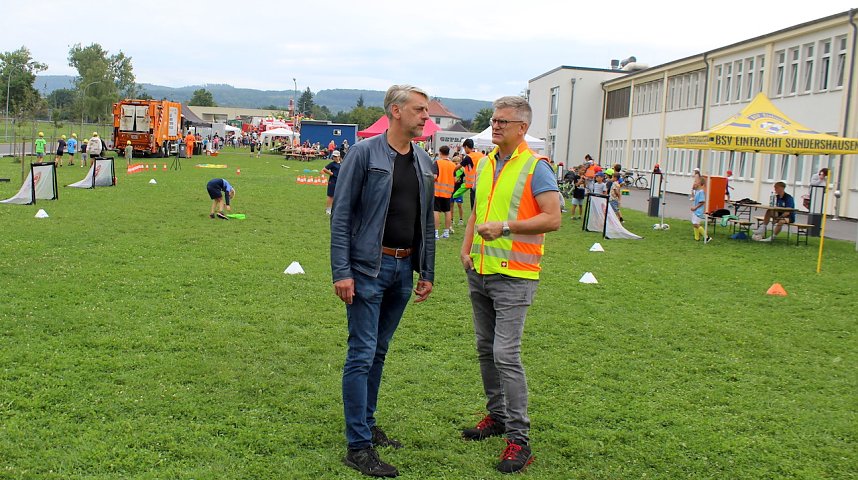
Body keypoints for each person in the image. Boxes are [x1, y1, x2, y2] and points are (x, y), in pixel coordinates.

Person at [330, 85, 435, 478]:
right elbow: (341, 216)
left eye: (426, 111)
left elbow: (425, 222)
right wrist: (341, 271)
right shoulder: (363, 154)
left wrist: (428, 271)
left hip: (403, 271)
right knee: (361, 353)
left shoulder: (426, 163)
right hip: (366, 271)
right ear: (395, 111)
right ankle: (357, 446)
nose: (426, 117)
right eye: (419, 110)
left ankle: (368, 426)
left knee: (379, 352)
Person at [459, 96, 561, 474]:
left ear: (522, 128)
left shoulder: (538, 168)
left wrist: (506, 227)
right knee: (486, 350)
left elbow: (552, 219)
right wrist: (466, 247)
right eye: (493, 119)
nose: (496, 126)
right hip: (480, 271)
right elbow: (477, 211)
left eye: (503, 121)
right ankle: (497, 417)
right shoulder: (485, 164)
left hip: (515, 275)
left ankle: (519, 439)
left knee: (506, 354)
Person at [433, 145, 456, 238]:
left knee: (436, 211)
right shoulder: (453, 165)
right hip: (448, 192)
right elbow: (455, 178)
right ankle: (446, 232)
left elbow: (434, 176)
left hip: (437, 191)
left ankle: (436, 233)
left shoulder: (437, 163)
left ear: (440, 152)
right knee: (447, 211)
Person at [460, 138, 483, 209]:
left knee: (473, 206)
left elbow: (458, 166)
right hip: (482, 182)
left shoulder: (468, 157)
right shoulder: (481, 155)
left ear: (466, 147)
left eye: (464, 148)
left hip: (473, 184)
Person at [690, 176, 712, 243]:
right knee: (694, 224)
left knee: (696, 224)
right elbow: (693, 198)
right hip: (695, 210)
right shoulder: (697, 191)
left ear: (700, 184)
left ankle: (707, 237)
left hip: (698, 211)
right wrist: (692, 190)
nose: (694, 183)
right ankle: (697, 238)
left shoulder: (701, 192)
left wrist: (695, 207)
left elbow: (702, 202)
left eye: (696, 181)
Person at [322, 150, 342, 215]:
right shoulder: (332, 164)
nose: (335, 158)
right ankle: (328, 209)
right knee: (330, 196)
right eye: (334, 156)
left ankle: (335, 208)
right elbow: (324, 169)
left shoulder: (342, 163)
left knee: (338, 196)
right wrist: (331, 173)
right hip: (332, 181)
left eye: (336, 156)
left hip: (339, 182)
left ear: (339, 156)